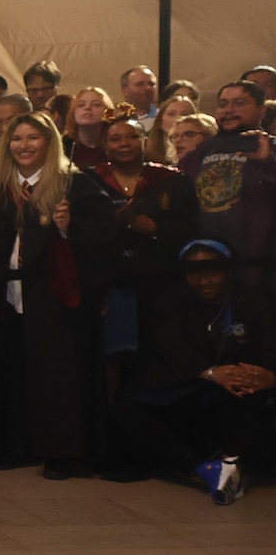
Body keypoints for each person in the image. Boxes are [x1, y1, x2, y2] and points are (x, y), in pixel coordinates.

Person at [0, 112, 116, 477]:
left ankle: (62, 452)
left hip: (53, 293)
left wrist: (69, 230)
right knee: (13, 371)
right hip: (7, 292)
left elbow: (104, 241)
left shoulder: (74, 186)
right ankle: (17, 445)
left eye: (33, 138)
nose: (24, 146)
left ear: (49, 142)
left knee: (56, 374)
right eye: (16, 139)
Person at [106, 241, 273, 502]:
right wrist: (208, 372)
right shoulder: (172, 299)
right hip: (189, 383)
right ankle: (204, 468)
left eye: (211, 272)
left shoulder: (253, 301)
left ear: (228, 271)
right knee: (128, 411)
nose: (203, 281)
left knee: (248, 394)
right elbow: (168, 347)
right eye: (194, 273)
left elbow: (267, 349)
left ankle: (232, 464)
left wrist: (269, 375)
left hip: (239, 389)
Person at [93, 114, 197, 368]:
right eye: (115, 139)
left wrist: (148, 226)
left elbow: (189, 228)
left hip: (161, 281)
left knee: (160, 354)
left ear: (145, 140)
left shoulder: (173, 180)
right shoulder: (88, 181)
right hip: (109, 283)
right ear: (105, 145)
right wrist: (113, 223)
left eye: (132, 137)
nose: (124, 143)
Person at [179, 82, 276, 288]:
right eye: (223, 104)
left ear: (263, 110)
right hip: (208, 265)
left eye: (239, 103)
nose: (229, 110)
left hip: (261, 266)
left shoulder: (272, 149)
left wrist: (267, 163)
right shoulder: (198, 153)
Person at [62, 86, 114, 170]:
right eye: (81, 105)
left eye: (96, 104)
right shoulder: (63, 145)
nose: (87, 108)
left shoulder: (115, 144)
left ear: (108, 112)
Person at [145, 95, 200, 165]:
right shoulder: (147, 154)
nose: (178, 118)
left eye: (185, 114)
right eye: (171, 114)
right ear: (160, 121)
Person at [120, 65, 160, 130]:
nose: (147, 88)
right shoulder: (114, 118)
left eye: (151, 84)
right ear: (125, 90)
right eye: (140, 84)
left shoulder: (162, 118)